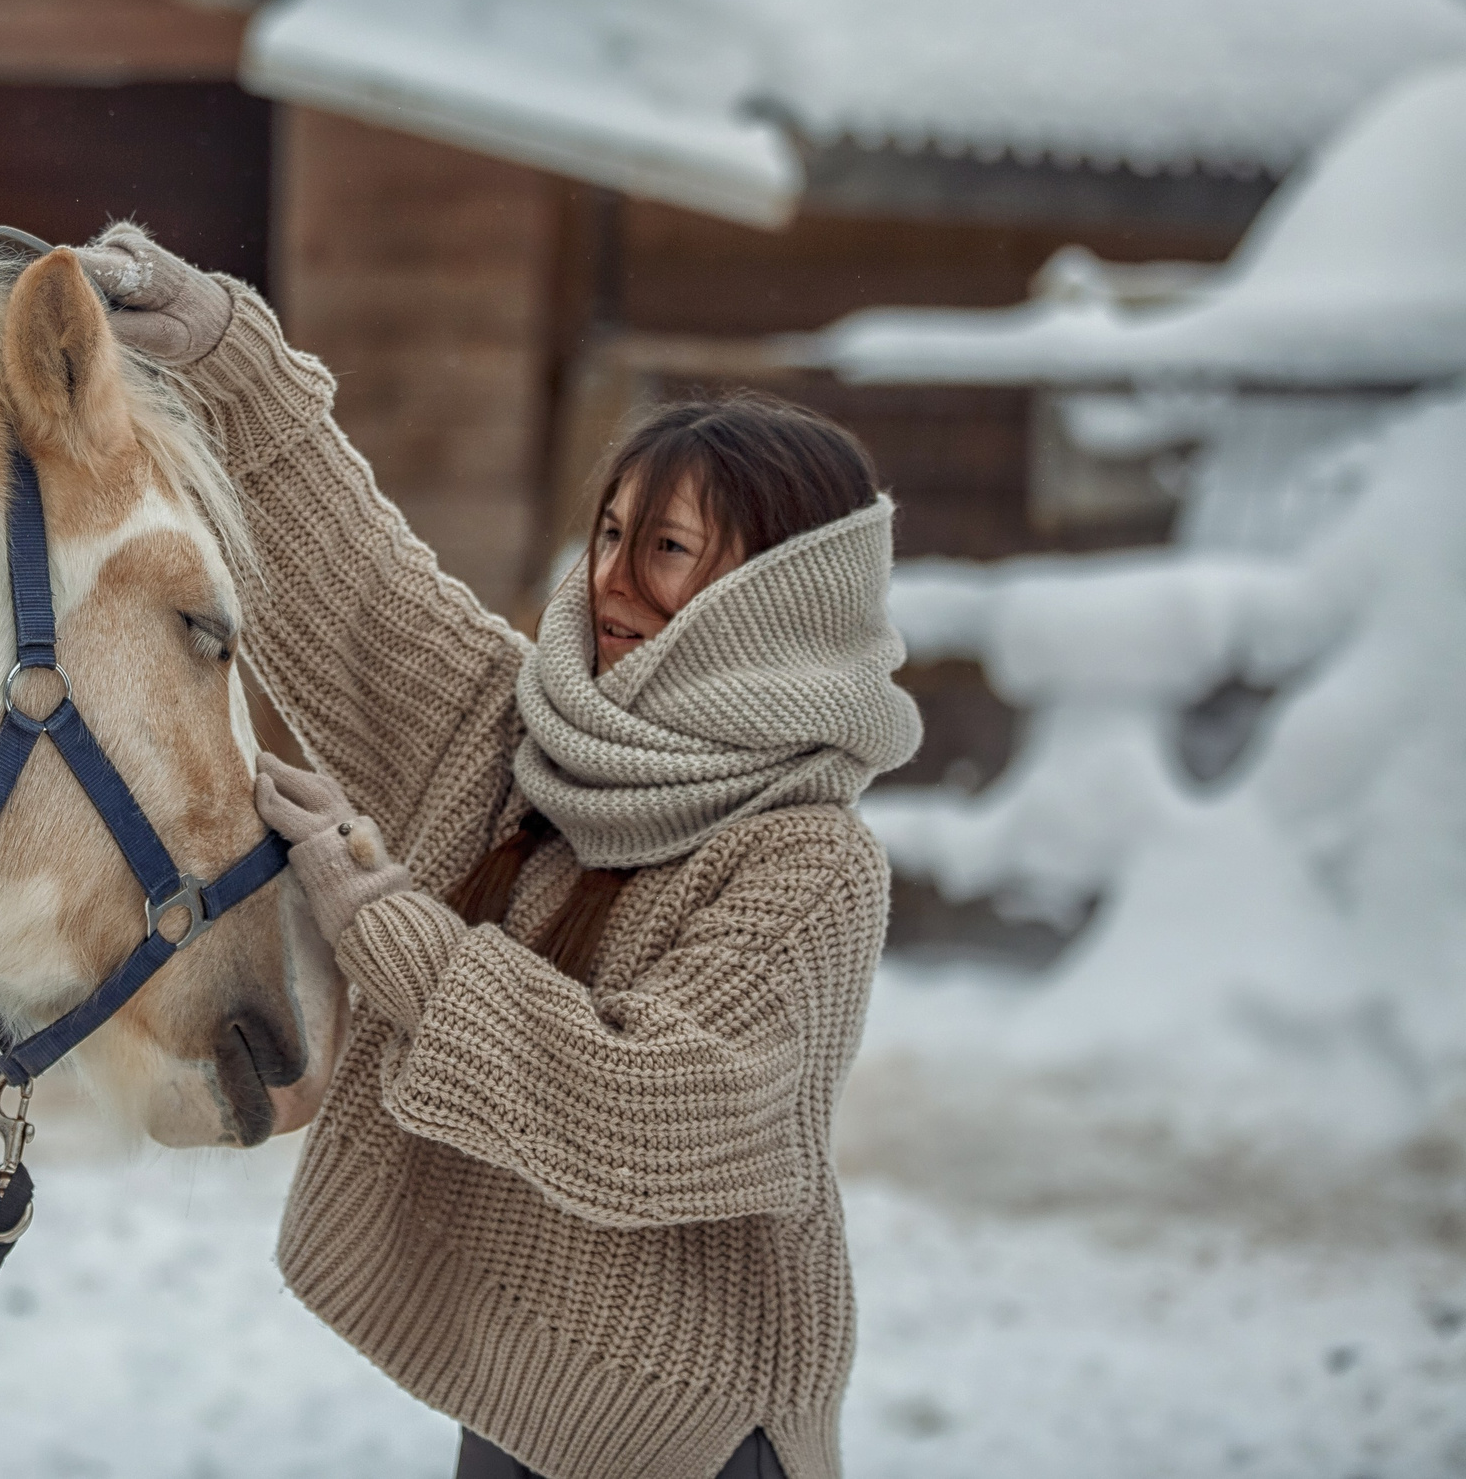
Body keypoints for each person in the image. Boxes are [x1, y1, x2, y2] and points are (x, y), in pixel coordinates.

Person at [71, 226, 922, 1479]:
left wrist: (382, 913)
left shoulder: (808, 866)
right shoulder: (523, 734)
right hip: (517, 1395)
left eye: (668, 549)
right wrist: (227, 359)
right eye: (613, 531)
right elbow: (361, 593)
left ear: (775, 601)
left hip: (688, 1436)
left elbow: (655, 1108)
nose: (611, 581)